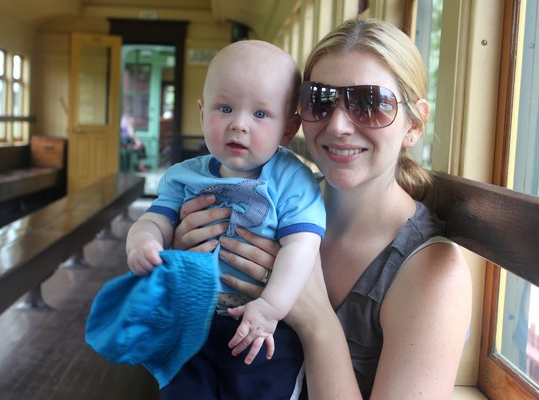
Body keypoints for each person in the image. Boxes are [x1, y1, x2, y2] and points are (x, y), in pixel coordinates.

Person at [173, 19, 473, 399]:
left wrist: (316, 322)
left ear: (414, 125)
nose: (339, 125)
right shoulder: (264, 205)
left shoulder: (433, 274)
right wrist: (184, 257)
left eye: (370, 104)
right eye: (321, 100)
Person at [126, 40, 325, 398]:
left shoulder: (292, 179)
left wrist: (271, 306)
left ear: (288, 128)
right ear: (202, 113)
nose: (239, 125)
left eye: (260, 114)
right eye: (225, 108)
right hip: (191, 320)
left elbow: (302, 245)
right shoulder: (183, 176)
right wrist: (144, 241)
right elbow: (156, 219)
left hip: (261, 326)